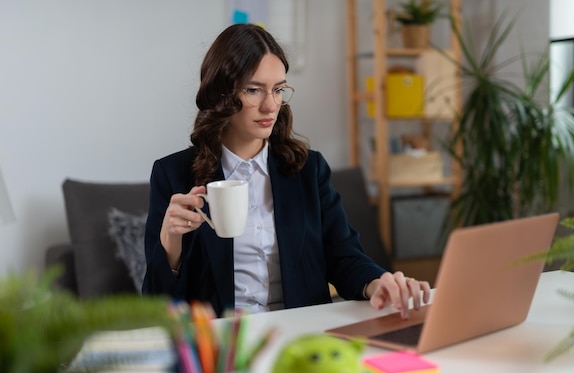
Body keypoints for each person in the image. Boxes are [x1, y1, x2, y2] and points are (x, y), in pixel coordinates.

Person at [142, 23, 431, 318]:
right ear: (222, 94)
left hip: (301, 332)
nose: (270, 105)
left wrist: (377, 283)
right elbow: (156, 300)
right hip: (224, 344)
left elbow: (343, 257)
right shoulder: (173, 174)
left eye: (278, 89)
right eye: (254, 90)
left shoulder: (308, 168)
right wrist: (170, 241)